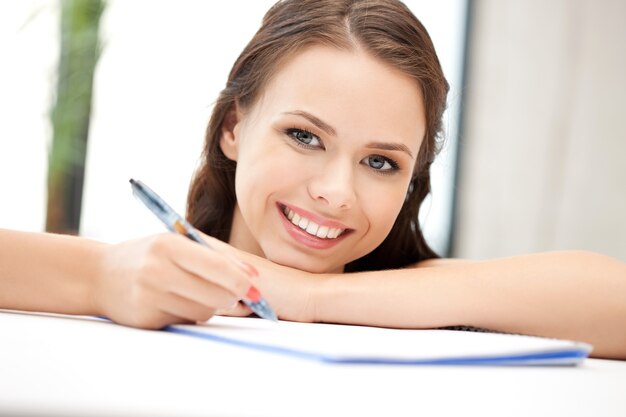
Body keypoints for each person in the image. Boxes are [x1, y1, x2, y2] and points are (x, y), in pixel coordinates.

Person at [1, 0, 624, 359]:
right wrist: (100, 278)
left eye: (381, 162)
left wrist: (307, 298)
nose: (337, 192)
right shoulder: (144, 281)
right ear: (233, 129)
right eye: (304, 136)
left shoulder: (414, 297)